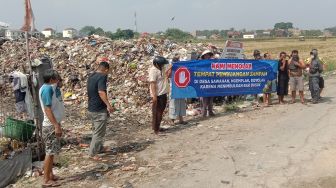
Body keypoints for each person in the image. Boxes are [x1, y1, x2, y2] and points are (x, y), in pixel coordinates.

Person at [39, 69, 65, 187]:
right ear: (51, 80)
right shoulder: (47, 89)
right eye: (56, 78)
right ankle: (46, 180)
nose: (58, 80)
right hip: (50, 125)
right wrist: (56, 125)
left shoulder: (51, 87)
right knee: (49, 152)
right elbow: (47, 109)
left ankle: (51, 175)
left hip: (54, 123)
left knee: (52, 151)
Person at [87, 61, 114, 160]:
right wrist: (108, 105)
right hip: (98, 109)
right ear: (106, 69)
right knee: (98, 133)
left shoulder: (92, 75)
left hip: (91, 107)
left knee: (97, 130)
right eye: (108, 71)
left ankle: (99, 148)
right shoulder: (102, 76)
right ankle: (92, 153)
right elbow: (101, 92)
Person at [148, 56, 169, 134]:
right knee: (157, 112)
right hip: (158, 95)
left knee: (161, 111)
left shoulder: (161, 68)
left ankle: (158, 127)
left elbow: (168, 69)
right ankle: (155, 129)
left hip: (163, 93)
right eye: (161, 64)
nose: (163, 65)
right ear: (156, 64)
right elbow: (152, 84)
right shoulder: (153, 71)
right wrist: (154, 96)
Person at [167, 55, 187, 125]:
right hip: (174, 88)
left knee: (181, 103)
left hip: (181, 87)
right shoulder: (171, 68)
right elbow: (168, 75)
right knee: (173, 103)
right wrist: (172, 66)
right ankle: (172, 120)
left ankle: (181, 119)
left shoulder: (182, 67)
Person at [200, 50, 215, 117]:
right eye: (206, 55)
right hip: (203, 83)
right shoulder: (200, 63)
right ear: (204, 56)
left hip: (211, 82)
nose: (207, 56)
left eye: (208, 55)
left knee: (211, 98)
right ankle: (204, 113)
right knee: (204, 99)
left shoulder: (212, 63)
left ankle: (210, 111)